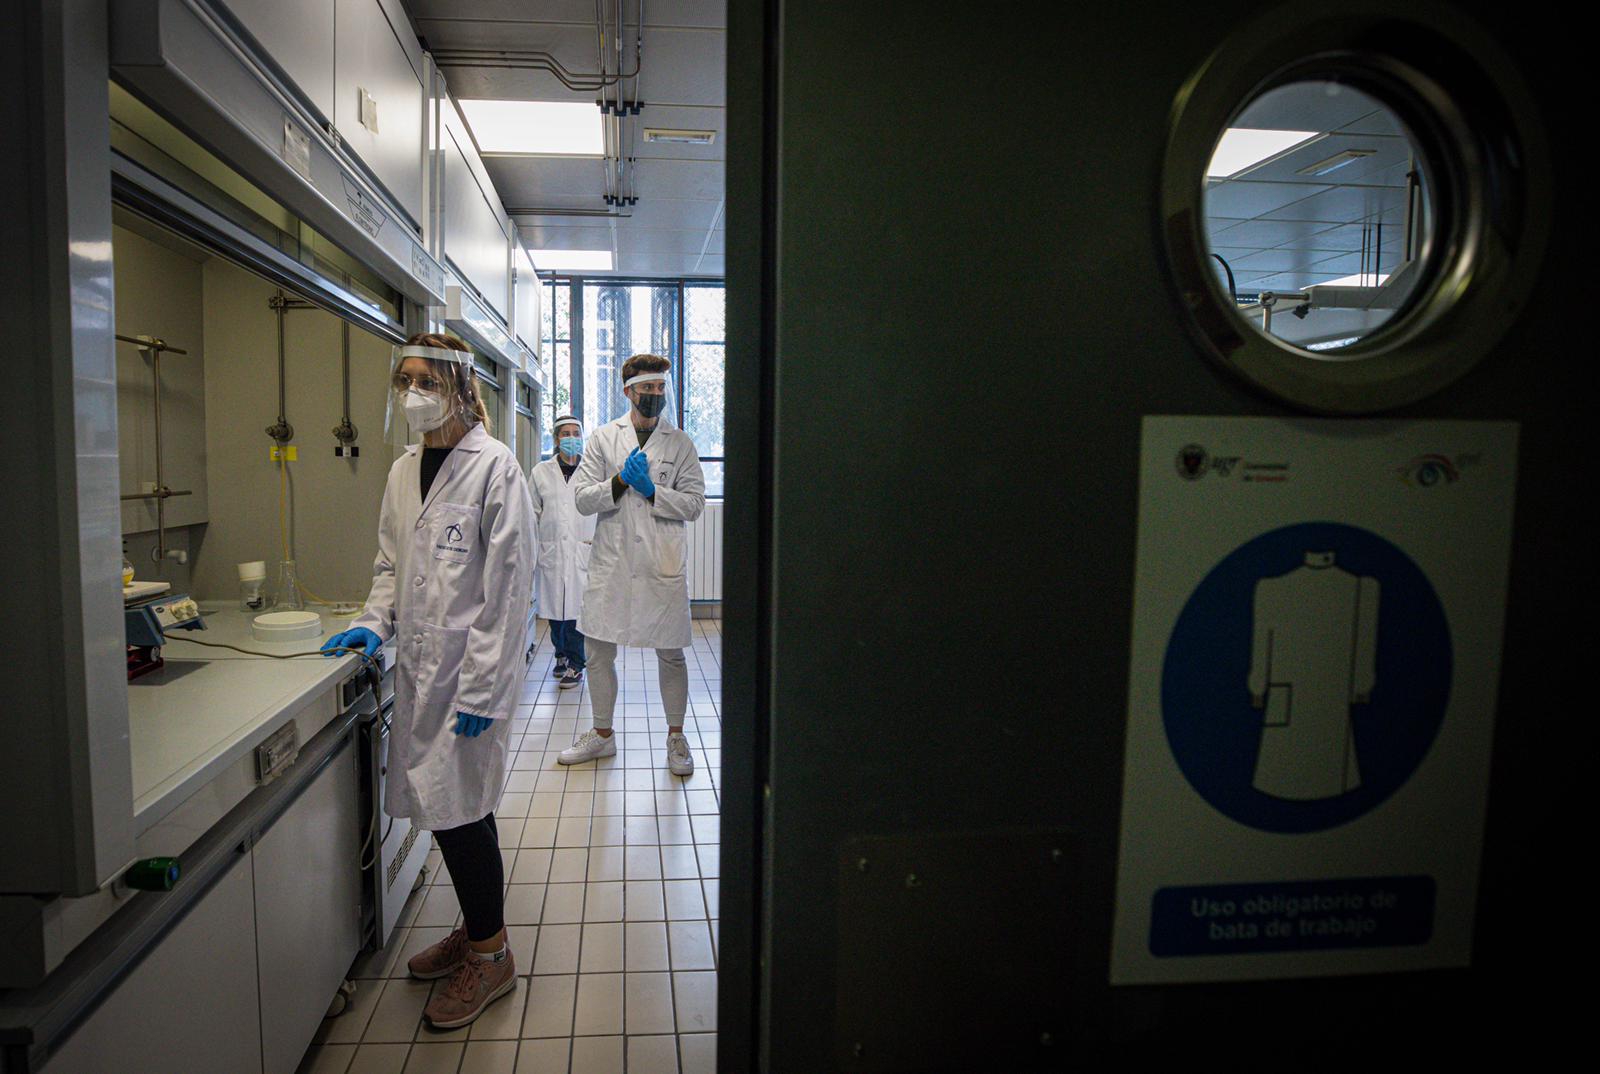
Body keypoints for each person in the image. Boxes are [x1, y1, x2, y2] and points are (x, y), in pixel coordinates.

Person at [321, 333, 535, 1029]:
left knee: (462, 815)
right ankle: (478, 929)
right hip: (420, 671)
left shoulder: (494, 467)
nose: (411, 393)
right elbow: (391, 567)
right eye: (402, 380)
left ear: (454, 382)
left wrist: (482, 689)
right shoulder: (403, 469)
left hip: (468, 678)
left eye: (423, 379)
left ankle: (492, 956)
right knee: (454, 810)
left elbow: (507, 591)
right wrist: (372, 624)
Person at [557, 353, 706, 776]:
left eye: (661, 388)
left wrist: (653, 491)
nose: (655, 395)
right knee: (598, 653)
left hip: (661, 564)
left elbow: (694, 504)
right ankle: (602, 736)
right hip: (614, 564)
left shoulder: (681, 443)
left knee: (672, 655)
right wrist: (620, 481)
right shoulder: (604, 439)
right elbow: (583, 497)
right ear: (628, 391)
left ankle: (676, 737)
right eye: (647, 389)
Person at [529, 413, 595, 690]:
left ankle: (576, 664)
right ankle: (561, 656)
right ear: (556, 439)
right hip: (552, 550)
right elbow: (531, 511)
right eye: (565, 434)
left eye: (575, 434)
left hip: (583, 549)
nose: (571, 439)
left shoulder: (593, 471)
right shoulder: (540, 472)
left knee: (577, 611)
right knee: (556, 612)